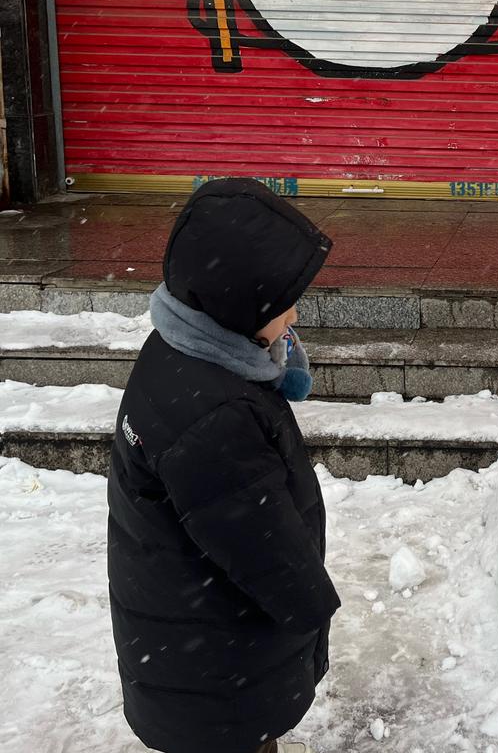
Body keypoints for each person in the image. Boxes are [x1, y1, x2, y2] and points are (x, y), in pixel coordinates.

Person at [108, 178, 339, 753]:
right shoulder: (216, 416)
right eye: (283, 301)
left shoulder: (180, 347)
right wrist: (313, 609)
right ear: (239, 302)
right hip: (221, 658)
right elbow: (265, 551)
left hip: (186, 634)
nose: (294, 314)